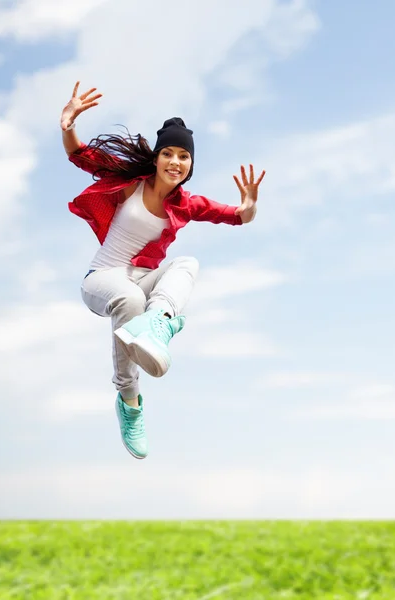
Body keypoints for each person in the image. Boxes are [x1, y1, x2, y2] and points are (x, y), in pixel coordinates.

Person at [61, 81, 265, 460]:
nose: (175, 161)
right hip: (102, 279)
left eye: (184, 156)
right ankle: (130, 403)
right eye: (168, 153)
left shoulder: (186, 204)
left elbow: (238, 217)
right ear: (156, 159)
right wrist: (68, 123)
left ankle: (160, 322)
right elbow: (78, 154)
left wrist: (249, 205)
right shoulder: (128, 182)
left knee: (187, 263)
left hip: (142, 280)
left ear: (190, 166)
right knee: (129, 297)